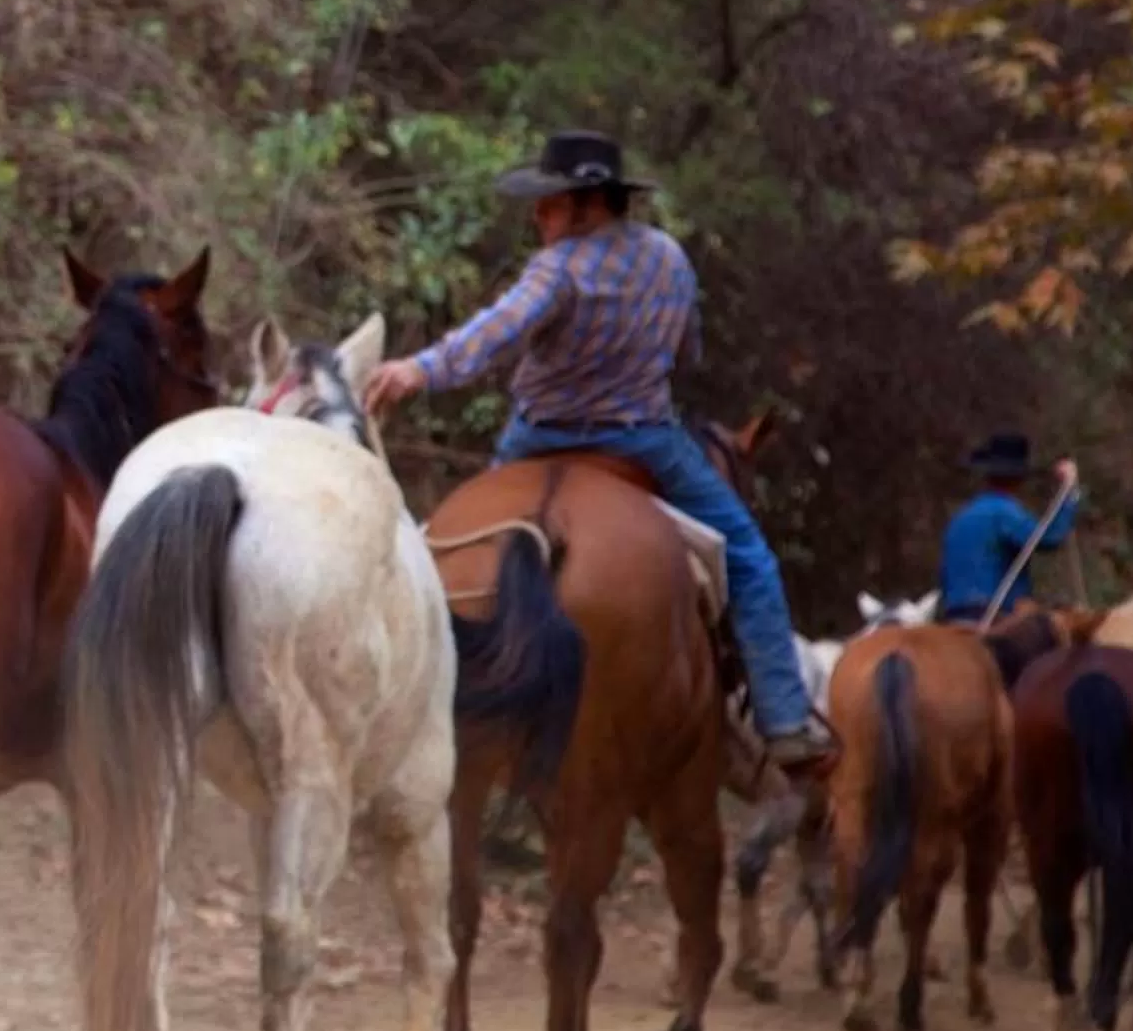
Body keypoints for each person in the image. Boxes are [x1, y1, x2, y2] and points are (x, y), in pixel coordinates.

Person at [362, 131, 835, 768]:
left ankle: (402, 695)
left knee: (445, 540)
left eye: (551, 202)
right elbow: (687, 350)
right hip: (644, 440)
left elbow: (498, 331)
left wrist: (420, 369)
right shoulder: (670, 258)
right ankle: (783, 719)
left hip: (537, 437)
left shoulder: (557, 268)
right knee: (748, 558)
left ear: (589, 204)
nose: (538, 214)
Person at [937, 433, 1080, 626]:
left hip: (954, 614)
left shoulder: (961, 517)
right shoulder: (1004, 513)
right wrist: (1069, 494)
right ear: (1020, 479)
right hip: (993, 613)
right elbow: (1048, 539)